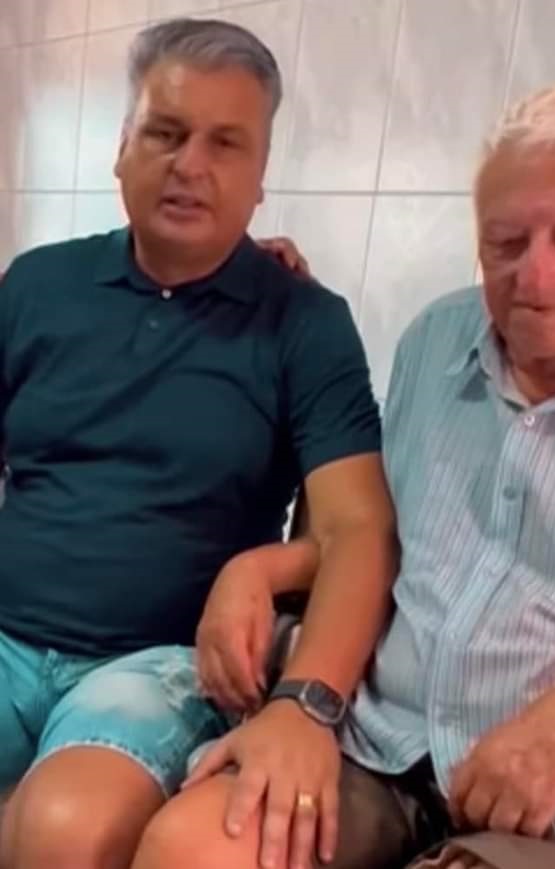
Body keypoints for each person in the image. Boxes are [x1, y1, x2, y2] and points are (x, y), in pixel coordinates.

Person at [132, 81, 555, 869]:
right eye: (505, 242)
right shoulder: (436, 342)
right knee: (189, 846)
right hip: (383, 754)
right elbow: (393, 544)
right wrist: (261, 568)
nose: (535, 276)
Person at [0, 17, 396, 869]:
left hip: (160, 664)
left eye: (225, 143)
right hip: (7, 635)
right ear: (122, 147)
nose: (190, 165)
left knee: (64, 826)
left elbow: (358, 527)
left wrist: (305, 701)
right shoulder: (36, 285)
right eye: (166, 133)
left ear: (260, 175)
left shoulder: (305, 323)